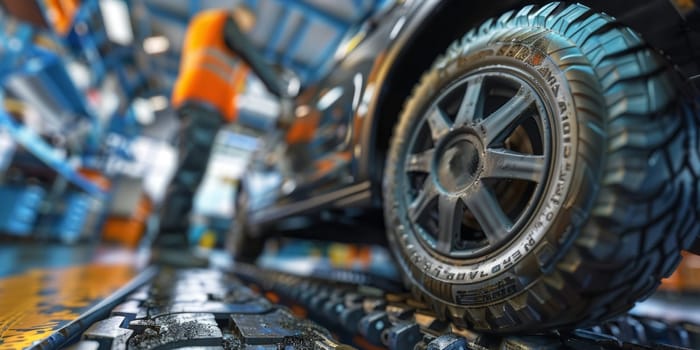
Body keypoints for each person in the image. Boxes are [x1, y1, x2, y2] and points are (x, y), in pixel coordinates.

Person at [153, 5, 256, 261]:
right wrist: (281, 90)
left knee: (188, 171)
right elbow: (250, 54)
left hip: (198, 102)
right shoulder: (225, 22)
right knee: (189, 173)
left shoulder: (205, 26)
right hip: (205, 103)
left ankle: (170, 241)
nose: (246, 30)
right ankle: (169, 244)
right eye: (247, 25)